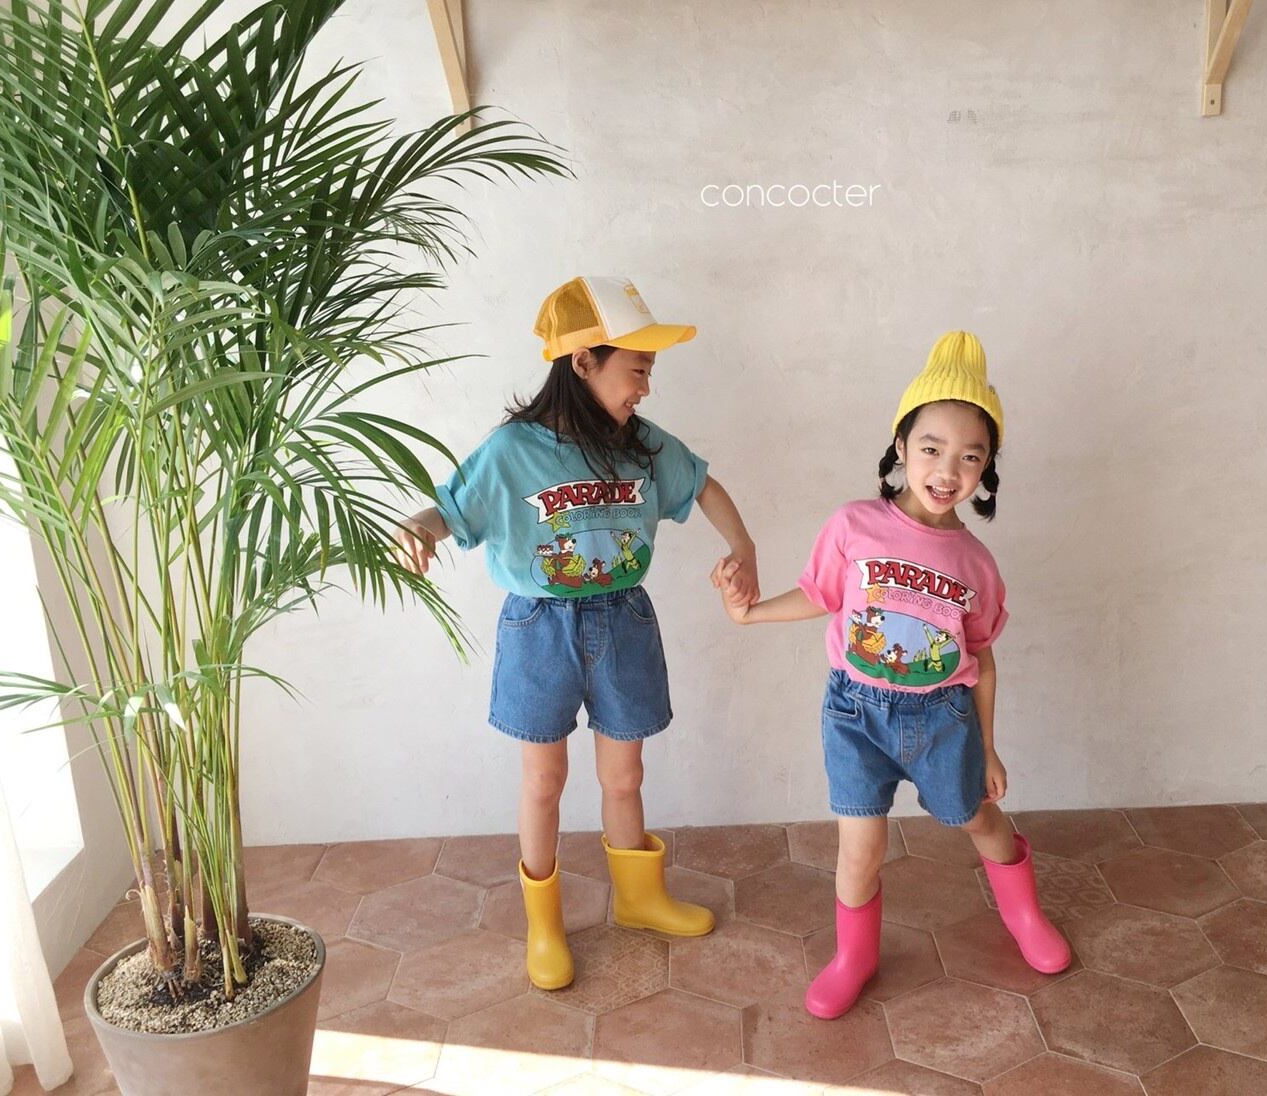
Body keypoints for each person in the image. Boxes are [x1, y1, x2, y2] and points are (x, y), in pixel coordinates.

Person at [396, 276, 759, 989]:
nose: (646, 388)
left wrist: (743, 547)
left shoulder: (642, 445)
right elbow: (453, 509)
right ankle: (545, 926)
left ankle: (640, 899)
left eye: (649, 373)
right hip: (539, 628)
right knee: (544, 781)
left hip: (623, 620)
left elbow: (701, 484)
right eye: (638, 370)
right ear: (583, 362)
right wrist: (419, 526)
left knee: (625, 774)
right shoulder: (511, 450)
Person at [715, 331, 1069, 1019]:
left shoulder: (977, 564)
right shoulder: (853, 525)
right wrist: (749, 613)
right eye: (931, 447)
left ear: (987, 469)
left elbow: (982, 658)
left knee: (978, 818)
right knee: (860, 848)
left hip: (944, 719)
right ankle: (854, 957)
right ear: (901, 446)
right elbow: (820, 594)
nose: (948, 469)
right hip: (855, 715)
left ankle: (1025, 915)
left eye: (971, 456)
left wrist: (988, 747)